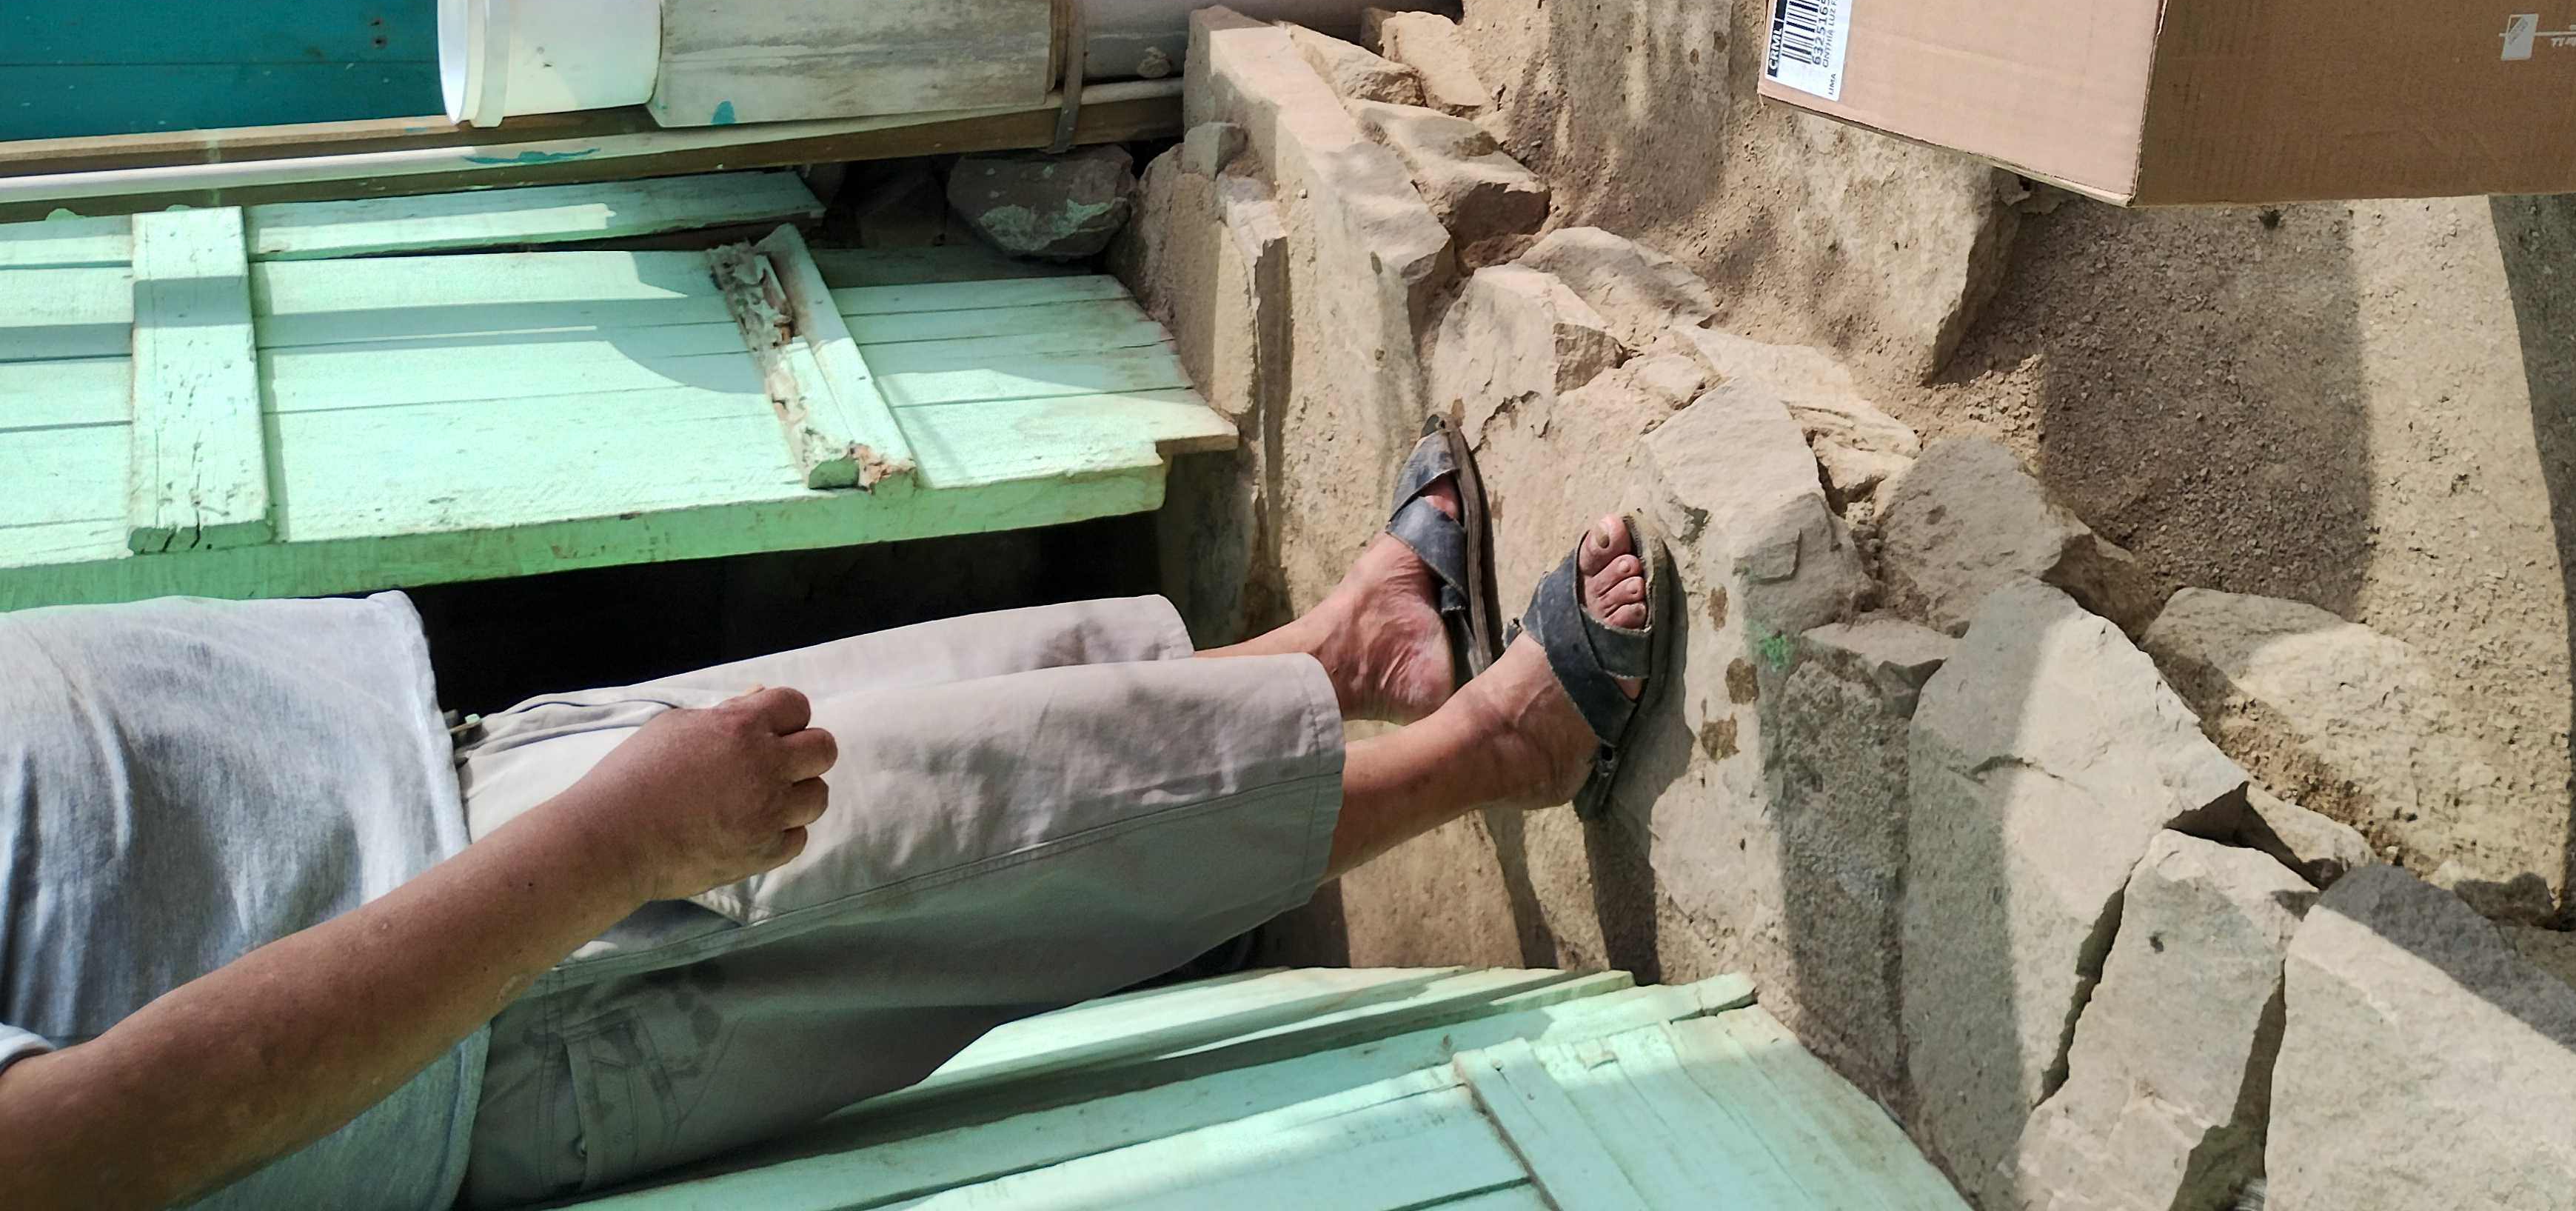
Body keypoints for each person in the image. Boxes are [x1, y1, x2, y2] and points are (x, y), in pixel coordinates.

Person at [0, 424, 1673, 1210]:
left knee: (985, 719)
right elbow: (82, 1148)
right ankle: (1494, 753)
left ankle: (1341, 655)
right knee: (1033, 829)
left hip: (409, 776)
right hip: (467, 994)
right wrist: (610, 853)